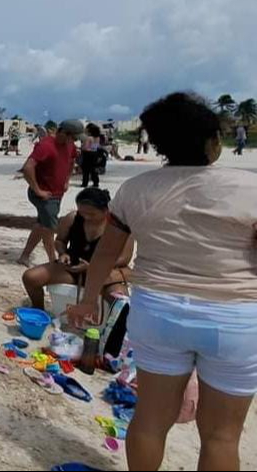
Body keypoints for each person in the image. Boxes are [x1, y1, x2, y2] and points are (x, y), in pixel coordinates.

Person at [68, 92, 257, 471]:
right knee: (221, 436)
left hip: (158, 313)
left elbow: (105, 254)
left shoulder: (135, 190)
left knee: (150, 423)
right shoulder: (248, 187)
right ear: (212, 141)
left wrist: (88, 301)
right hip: (234, 319)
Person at [23, 187, 133, 310]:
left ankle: (112, 325)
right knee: (30, 277)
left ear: (106, 210)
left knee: (119, 299)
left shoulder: (119, 226)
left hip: (104, 273)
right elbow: (60, 241)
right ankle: (38, 310)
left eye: (91, 214)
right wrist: (62, 253)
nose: (86, 217)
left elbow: (124, 258)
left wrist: (93, 266)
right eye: (82, 213)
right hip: (73, 268)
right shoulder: (72, 218)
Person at [17, 119, 84, 266]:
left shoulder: (70, 145)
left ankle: (24, 256)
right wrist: (37, 190)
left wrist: (67, 180)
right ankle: (52, 260)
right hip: (45, 195)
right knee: (49, 228)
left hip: (57, 193)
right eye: (73, 137)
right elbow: (28, 168)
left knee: (42, 225)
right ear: (64, 133)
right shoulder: (46, 145)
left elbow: (72, 160)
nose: (74, 141)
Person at [81, 123, 103, 188]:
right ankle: (96, 182)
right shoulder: (97, 138)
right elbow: (95, 147)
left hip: (87, 154)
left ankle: (85, 183)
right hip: (94, 154)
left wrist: (82, 147)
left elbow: (86, 147)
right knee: (93, 169)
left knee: (86, 170)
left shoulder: (88, 138)